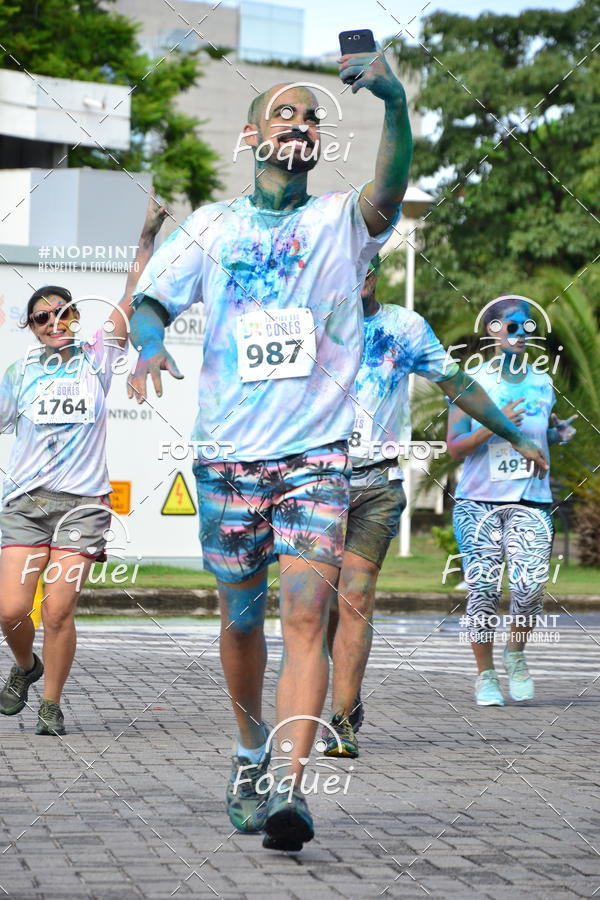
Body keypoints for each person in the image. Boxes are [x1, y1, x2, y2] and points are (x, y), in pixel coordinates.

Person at [128, 44, 416, 851]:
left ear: (320, 143)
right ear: (253, 138)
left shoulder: (338, 222)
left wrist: (394, 104)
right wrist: (149, 342)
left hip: (317, 455)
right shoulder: (212, 226)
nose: (300, 123)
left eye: (312, 116)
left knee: (306, 614)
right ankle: (249, 746)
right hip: (227, 456)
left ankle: (291, 788)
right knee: (242, 617)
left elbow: (389, 189)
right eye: (283, 113)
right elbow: (153, 300)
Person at [324, 264, 551, 758]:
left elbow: (456, 385)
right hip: (314, 480)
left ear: (376, 274)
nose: (358, 273)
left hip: (377, 481)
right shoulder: (310, 320)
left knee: (356, 598)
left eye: (368, 265)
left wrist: (524, 437)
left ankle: (341, 719)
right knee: (316, 608)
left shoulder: (404, 328)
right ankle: (348, 691)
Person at [0, 193, 168, 736]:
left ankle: (51, 704)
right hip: (25, 505)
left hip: (82, 507)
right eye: (42, 318)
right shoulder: (19, 371)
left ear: (76, 315)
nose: (54, 322)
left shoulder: (98, 355)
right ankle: (26, 668)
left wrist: (147, 235)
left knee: (58, 610)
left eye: (62, 312)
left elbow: (131, 290)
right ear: (31, 328)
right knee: (9, 611)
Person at [446, 294, 576, 706]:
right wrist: (497, 426)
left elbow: (541, 437)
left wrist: (556, 436)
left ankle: (515, 653)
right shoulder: (472, 380)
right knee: (482, 590)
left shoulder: (542, 382)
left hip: (531, 499)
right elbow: (454, 447)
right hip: (478, 502)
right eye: (511, 327)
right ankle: (485, 676)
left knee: (530, 588)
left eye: (526, 328)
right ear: (493, 332)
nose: (520, 335)